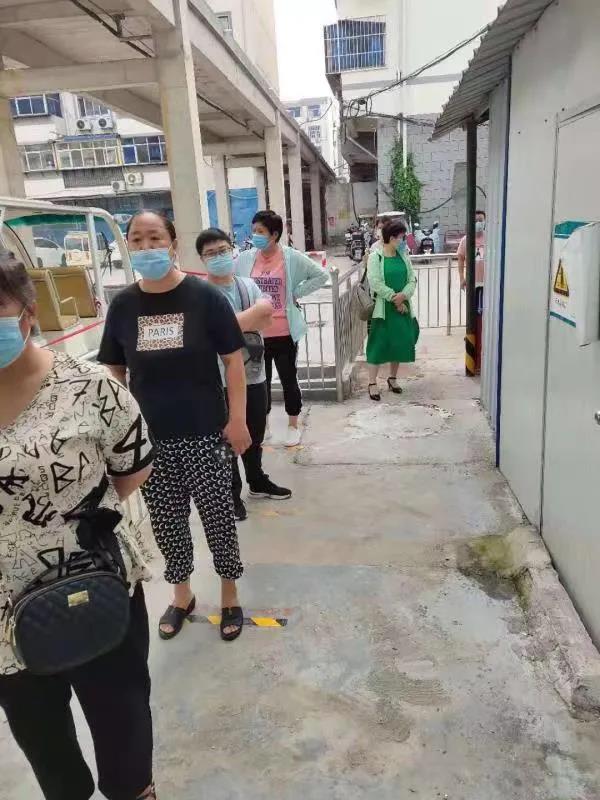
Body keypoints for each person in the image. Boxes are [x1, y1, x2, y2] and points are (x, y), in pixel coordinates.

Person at [0, 255, 156, 800]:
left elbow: (133, 467)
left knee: (123, 725)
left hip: (95, 585)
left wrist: (65, 523)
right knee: (44, 743)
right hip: (5, 616)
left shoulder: (89, 387)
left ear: (27, 313)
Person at [97, 211, 251, 643]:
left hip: (206, 433)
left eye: (155, 238)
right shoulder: (124, 305)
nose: (146, 247)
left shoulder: (204, 297)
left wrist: (237, 419)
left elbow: (233, 362)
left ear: (173, 243)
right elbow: (115, 370)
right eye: (137, 240)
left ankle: (229, 592)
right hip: (152, 440)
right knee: (167, 522)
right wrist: (121, 432)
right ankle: (182, 594)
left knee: (218, 517)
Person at [197, 228, 292, 522]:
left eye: (223, 250)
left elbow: (267, 316)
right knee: (224, 440)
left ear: (233, 250)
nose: (219, 257)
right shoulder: (199, 295)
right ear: (202, 259)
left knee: (255, 432)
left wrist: (224, 327)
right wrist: (248, 319)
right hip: (217, 381)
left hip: (253, 375)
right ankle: (230, 492)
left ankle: (256, 479)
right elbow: (206, 334)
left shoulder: (247, 285)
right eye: (211, 253)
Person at [236, 210, 328, 447]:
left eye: (260, 231)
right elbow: (233, 282)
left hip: (284, 333)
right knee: (259, 383)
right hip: (255, 335)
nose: (255, 235)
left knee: (289, 379)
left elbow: (320, 275)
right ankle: (263, 425)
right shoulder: (245, 259)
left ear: (274, 234)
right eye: (254, 231)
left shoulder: (291, 257)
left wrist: (295, 293)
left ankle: (293, 425)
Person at [365, 219, 418, 401]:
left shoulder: (404, 256)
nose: (404, 241)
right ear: (392, 238)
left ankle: (392, 378)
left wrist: (404, 295)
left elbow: (412, 279)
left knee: (399, 343)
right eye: (402, 237)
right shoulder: (376, 257)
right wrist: (395, 299)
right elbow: (375, 283)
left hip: (403, 307)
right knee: (378, 345)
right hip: (384, 309)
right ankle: (372, 383)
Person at [457, 209, 486, 372]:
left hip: (487, 286)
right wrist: (462, 278)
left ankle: (481, 360)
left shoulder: (490, 238)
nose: (478, 223)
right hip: (473, 286)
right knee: (473, 321)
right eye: (475, 221)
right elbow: (460, 259)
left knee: (484, 323)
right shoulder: (466, 240)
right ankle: (473, 360)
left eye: (481, 220)